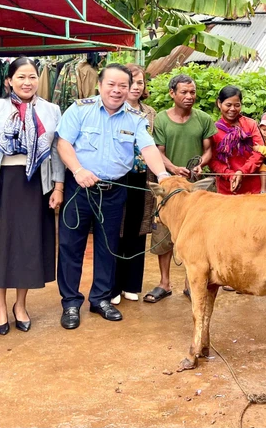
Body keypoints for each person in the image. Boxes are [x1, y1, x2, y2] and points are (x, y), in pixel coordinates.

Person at [55, 63, 169, 330]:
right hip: (80, 189)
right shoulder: (80, 109)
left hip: (115, 191)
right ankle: (71, 302)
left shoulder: (134, 117)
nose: (117, 91)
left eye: (123, 86)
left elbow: (148, 148)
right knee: (71, 247)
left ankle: (100, 299)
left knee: (109, 247)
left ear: (130, 89)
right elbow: (63, 143)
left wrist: (163, 174)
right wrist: (78, 170)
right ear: (100, 85)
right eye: (111, 85)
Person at [0, 57, 65, 335]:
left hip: (35, 184)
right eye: (21, 77)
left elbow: (57, 151)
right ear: (9, 80)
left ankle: (20, 305)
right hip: (1, 185)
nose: (27, 82)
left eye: (32, 77)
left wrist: (58, 186)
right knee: (2, 245)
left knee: (29, 245)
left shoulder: (51, 109)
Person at [144, 74, 215, 304]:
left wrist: (201, 165)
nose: (189, 96)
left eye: (192, 92)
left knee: (197, 237)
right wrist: (174, 168)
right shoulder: (163, 120)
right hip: (168, 188)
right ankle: (164, 283)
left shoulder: (203, 119)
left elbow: (208, 150)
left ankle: (190, 283)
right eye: (184, 92)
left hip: (195, 189)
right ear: (172, 93)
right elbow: (158, 152)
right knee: (163, 235)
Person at [110, 64, 157, 306]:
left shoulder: (150, 112)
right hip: (119, 177)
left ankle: (131, 284)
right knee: (117, 230)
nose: (137, 87)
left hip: (143, 178)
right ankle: (113, 285)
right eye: (133, 82)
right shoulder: (113, 110)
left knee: (137, 229)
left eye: (141, 83)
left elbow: (152, 147)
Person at [208, 86, 265, 196]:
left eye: (237, 105)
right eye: (228, 105)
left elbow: (259, 152)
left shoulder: (250, 124)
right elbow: (212, 160)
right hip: (227, 189)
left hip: (252, 187)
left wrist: (242, 172)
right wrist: (230, 175)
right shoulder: (213, 130)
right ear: (219, 104)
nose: (233, 109)